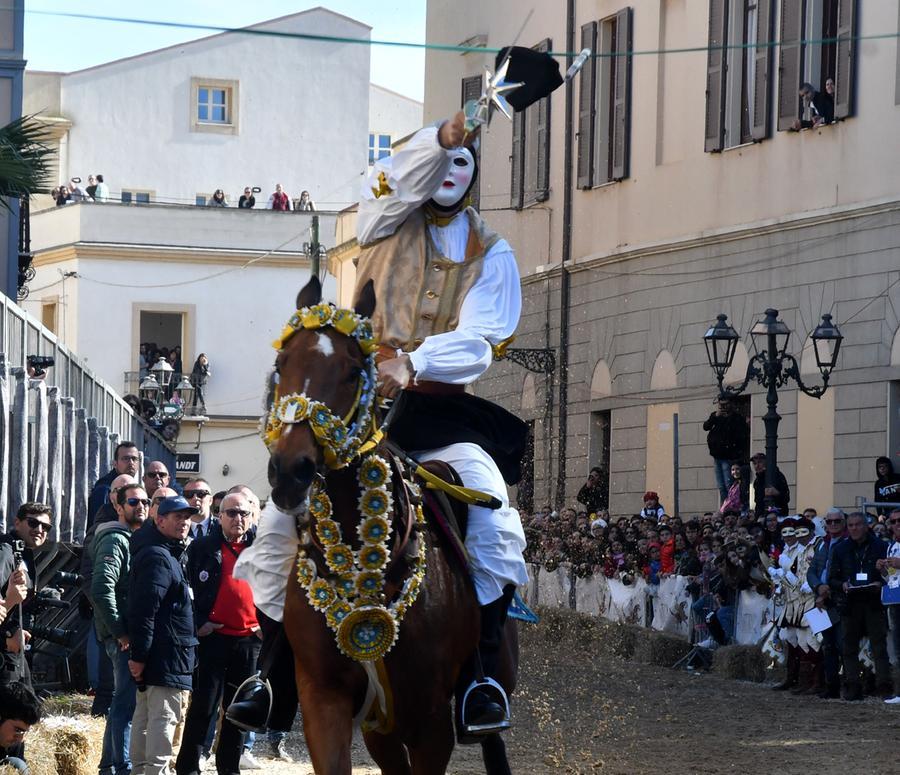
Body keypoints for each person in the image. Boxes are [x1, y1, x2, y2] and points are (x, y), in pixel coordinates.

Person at [232, 111, 528, 736]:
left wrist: (415, 360)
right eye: (440, 160)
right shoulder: (385, 218)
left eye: (462, 163)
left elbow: (484, 337)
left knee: (494, 509)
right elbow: (393, 177)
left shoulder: (492, 252)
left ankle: (479, 672)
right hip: (359, 406)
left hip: (440, 411)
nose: (449, 171)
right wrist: (445, 137)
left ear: (476, 179)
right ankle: (271, 673)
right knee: (280, 518)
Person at [175, 493, 260, 775]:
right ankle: (188, 768)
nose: (238, 519)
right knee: (203, 707)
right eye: (232, 513)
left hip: (248, 641)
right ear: (219, 515)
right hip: (213, 638)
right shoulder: (202, 547)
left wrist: (266, 626)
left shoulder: (261, 549)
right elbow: (185, 591)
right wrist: (199, 623)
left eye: (243, 514)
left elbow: (278, 589)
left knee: (239, 711)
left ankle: (229, 769)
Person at [128, 496, 198, 775]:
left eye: (186, 517)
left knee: (148, 721)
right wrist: (140, 657)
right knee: (163, 722)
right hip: (165, 657)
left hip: (168, 656)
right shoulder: (158, 556)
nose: (183, 522)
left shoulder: (166, 552)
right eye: (176, 517)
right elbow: (144, 611)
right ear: (160, 520)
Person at [92, 484, 149, 775]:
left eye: (145, 501)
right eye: (133, 501)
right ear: (118, 505)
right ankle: (121, 767)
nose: (141, 506)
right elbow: (101, 588)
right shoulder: (115, 539)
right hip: (121, 637)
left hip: (123, 634)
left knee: (122, 704)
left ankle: (108, 767)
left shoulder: (132, 538)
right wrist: (120, 632)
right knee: (125, 705)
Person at [828, 512, 891, 700]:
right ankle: (853, 686)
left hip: (873, 602)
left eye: (857, 525)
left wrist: (881, 581)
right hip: (850, 603)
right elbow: (832, 578)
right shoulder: (841, 549)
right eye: (851, 525)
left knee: (879, 646)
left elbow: (890, 573)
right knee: (849, 647)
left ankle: (883, 685)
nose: (854, 528)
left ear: (865, 526)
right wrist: (842, 585)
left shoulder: (881, 546)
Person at [0, 504, 52, 687]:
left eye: (45, 527)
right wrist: (7, 637)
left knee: (27, 709)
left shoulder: (21, 551)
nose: (39, 530)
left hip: (14, 649)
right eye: (33, 523)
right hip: (5, 651)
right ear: (17, 522)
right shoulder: (5, 551)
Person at [807, 507, 848, 698]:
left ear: (843, 522)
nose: (832, 525)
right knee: (828, 646)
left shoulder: (848, 543)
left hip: (839, 601)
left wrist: (826, 592)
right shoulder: (822, 544)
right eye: (829, 522)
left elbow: (846, 574)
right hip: (822, 601)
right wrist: (817, 588)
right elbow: (812, 571)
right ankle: (831, 686)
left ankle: (848, 686)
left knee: (843, 645)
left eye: (836, 521)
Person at [703, 399, 748, 503]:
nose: (723, 407)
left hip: (728, 456)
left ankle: (731, 506)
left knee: (729, 485)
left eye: (725, 404)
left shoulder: (736, 418)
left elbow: (741, 436)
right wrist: (715, 417)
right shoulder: (715, 416)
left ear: (730, 404)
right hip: (717, 455)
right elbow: (706, 427)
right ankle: (725, 507)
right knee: (721, 486)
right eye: (721, 404)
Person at [877, 508, 900, 703]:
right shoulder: (891, 546)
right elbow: (890, 576)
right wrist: (883, 570)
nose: (897, 524)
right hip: (895, 599)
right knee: (898, 647)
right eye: (893, 521)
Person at [89, 442, 140, 529]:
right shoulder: (104, 489)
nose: (131, 463)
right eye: (125, 459)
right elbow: (96, 526)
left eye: (134, 459)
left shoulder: (136, 488)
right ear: (115, 463)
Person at [0, 681, 42, 773]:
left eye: (24, 732)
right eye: (17, 730)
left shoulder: (15, 744)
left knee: (19, 764)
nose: (20, 739)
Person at [750, 452, 790, 518]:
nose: (757, 466)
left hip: (778, 514)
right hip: (763, 516)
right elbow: (758, 502)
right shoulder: (757, 481)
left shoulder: (777, 476)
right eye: (754, 463)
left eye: (760, 462)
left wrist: (777, 493)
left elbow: (786, 498)